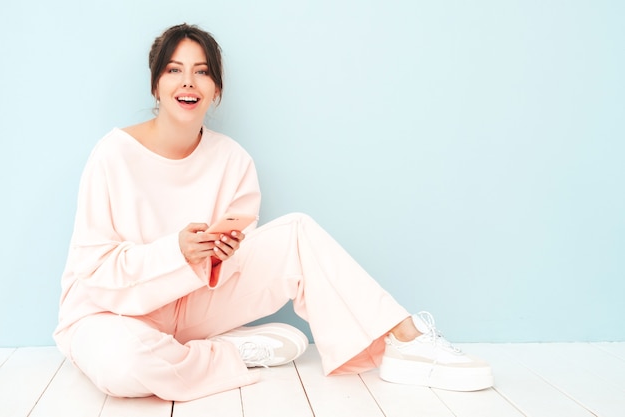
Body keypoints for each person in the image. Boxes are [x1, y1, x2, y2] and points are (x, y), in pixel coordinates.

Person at [53, 23, 493, 401]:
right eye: (174, 70)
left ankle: (405, 338)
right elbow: (93, 269)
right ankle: (228, 353)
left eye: (202, 73)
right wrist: (177, 251)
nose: (188, 83)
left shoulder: (233, 160)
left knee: (297, 231)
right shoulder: (113, 154)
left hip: (186, 307)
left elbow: (233, 260)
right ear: (156, 85)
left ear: (216, 90)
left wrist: (215, 256)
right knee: (124, 367)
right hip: (106, 314)